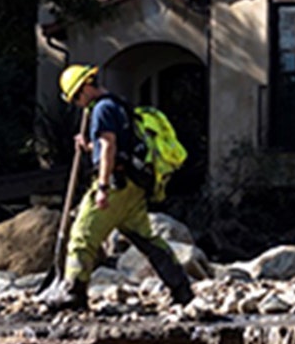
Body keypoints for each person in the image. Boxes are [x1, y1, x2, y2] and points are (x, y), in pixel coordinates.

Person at [41, 64, 195, 312]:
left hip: (115, 185)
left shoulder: (101, 109)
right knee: (147, 239)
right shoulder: (119, 106)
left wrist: (102, 187)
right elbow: (117, 146)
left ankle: (73, 292)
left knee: (82, 235)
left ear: (85, 89)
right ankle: (181, 289)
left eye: (76, 98)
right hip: (133, 186)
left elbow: (109, 147)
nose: (77, 104)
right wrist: (89, 147)